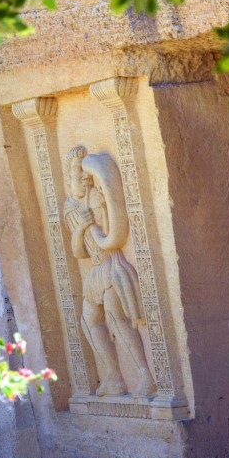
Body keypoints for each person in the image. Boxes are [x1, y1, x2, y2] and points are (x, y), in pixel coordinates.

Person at [63, 146, 156, 398]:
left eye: (84, 169)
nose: (82, 175)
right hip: (95, 268)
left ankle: (145, 375)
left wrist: (91, 224)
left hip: (111, 263)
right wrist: (82, 228)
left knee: (117, 317)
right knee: (89, 320)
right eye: (76, 170)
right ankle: (114, 377)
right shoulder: (71, 206)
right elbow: (78, 252)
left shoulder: (95, 196)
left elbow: (111, 235)